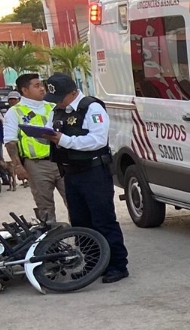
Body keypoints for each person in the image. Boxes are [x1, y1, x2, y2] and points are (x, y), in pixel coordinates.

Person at [41, 73, 130, 283]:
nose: (58, 103)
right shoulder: (58, 110)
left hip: (93, 172)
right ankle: (92, 263)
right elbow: (52, 130)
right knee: (80, 222)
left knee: (103, 220)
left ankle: (117, 264)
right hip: (70, 171)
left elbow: (97, 140)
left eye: (61, 98)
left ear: (73, 92)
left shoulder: (92, 108)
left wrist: (63, 140)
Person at [4, 73, 65, 223]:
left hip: (61, 161)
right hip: (37, 165)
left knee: (74, 201)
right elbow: (10, 142)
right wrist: (18, 166)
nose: (42, 89)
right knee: (45, 207)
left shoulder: (53, 107)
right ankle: (52, 244)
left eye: (42, 85)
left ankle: (83, 239)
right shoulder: (15, 112)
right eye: (36, 86)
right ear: (25, 90)